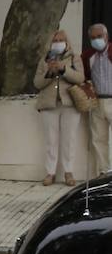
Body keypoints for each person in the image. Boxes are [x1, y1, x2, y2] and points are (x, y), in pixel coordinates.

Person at [33, 29, 85, 186]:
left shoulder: (75, 58)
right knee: (51, 141)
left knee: (69, 140)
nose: (58, 43)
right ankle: (50, 173)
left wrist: (63, 69)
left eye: (61, 40)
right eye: (55, 41)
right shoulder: (44, 60)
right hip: (49, 105)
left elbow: (80, 78)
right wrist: (50, 72)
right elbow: (37, 83)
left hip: (70, 105)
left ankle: (68, 172)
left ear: (67, 42)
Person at [81, 22, 112, 176]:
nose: (96, 40)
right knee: (98, 139)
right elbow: (84, 77)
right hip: (97, 102)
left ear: (106, 36)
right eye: (93, 38)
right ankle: (104, 173)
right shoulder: (88, 56)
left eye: (99, 36)